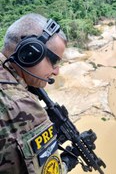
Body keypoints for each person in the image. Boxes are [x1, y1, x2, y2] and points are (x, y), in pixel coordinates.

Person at [0, 13, 78, 174]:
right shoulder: (22, 106)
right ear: (30, 52)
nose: (56, 71)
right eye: (55, 61)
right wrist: (68, 161)